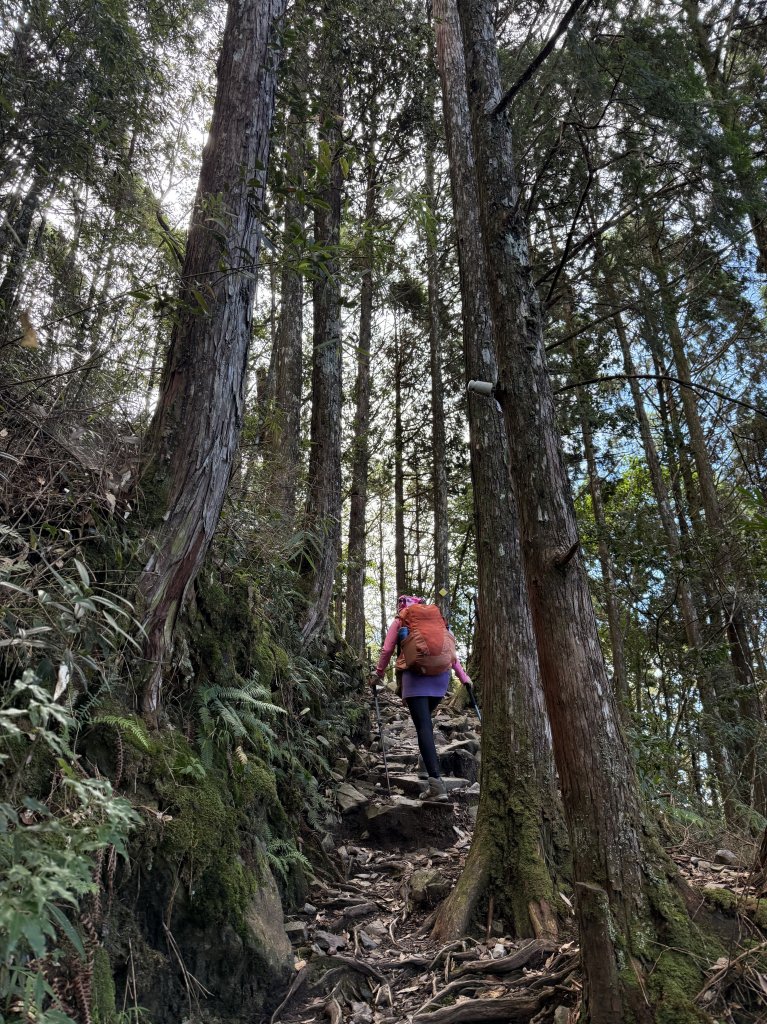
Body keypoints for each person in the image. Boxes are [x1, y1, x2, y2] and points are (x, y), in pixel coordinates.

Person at [371, 595, 473, 801]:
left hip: (415, 679)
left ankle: (436, 784)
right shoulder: (438, 621)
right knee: (426, 722)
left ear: (402, 606)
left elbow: (388, 648)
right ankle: (425, 765)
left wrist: (378, 673)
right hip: (440, 680)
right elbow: (451, 653)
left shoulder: (402, 619)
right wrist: (464, 678)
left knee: (423, 727)